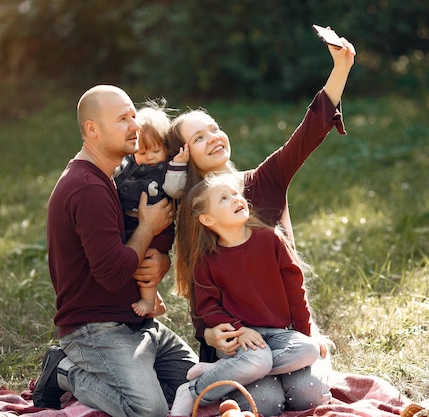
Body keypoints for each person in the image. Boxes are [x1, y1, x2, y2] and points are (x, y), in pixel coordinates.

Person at [166, 35, 356, 415]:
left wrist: (341, 69)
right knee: (265, 401)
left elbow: (306, 136)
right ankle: (219, 380)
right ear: (185, 155)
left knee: (308, 396)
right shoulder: (192, 214)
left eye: (214, 128)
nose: (213, 138)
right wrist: (210, 333)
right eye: (198, 138)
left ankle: (292, 365)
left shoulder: (262, 182)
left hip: (286, 332)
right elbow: (201, 294)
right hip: (237, 342)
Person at [32, 85, 198, 417]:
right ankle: (64, 370)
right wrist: (148, 228)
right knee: (148, 411)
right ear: (92, 129)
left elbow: (129, 252)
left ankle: (139, 371)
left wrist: (161, 259)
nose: (135, 126)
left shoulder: (112, 176)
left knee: (201, 387)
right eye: (123, 119)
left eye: (134, 116)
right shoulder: (87, 188)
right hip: (95, 327)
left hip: (136, 321)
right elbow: (113, 273)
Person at [169, 173, 326, 416]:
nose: (235, 199)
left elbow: (295, 290)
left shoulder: (270, 240)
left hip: (280, 338)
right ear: (208, 219)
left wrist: (306, 332)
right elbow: (208, 308)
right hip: (242, 341)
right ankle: (192, 390)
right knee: (265, 403)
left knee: (308, 355)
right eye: (224, 197)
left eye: (235, 194)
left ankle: (224, 370)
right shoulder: (207, 261)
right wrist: (237, 328)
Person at [113, 102, 189, 316]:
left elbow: (175, 191)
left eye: (156, 150)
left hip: (159, 228)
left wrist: (179, 166)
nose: (150, 157)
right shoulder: (127, 164)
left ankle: (149, 300)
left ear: (166, 148)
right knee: (131, 259)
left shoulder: (167, 169)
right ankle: (151, 298)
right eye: (142, 151)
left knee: (147, 259)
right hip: (130, 222)